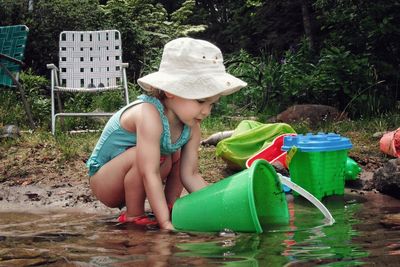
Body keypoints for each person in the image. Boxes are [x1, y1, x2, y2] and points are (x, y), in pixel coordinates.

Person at [87, 37, 247, 230]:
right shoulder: (148, 113)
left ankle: (173, 206)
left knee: (175, 155)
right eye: (200, 101)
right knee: (151, 158)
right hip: (106, 182)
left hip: (135, 177)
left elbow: (191, 174)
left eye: (211, 104)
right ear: (171, 90)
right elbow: (149, 172)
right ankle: (134, 215)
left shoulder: (191, 126)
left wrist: (219, 209)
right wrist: (164, 224)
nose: (206, 111)